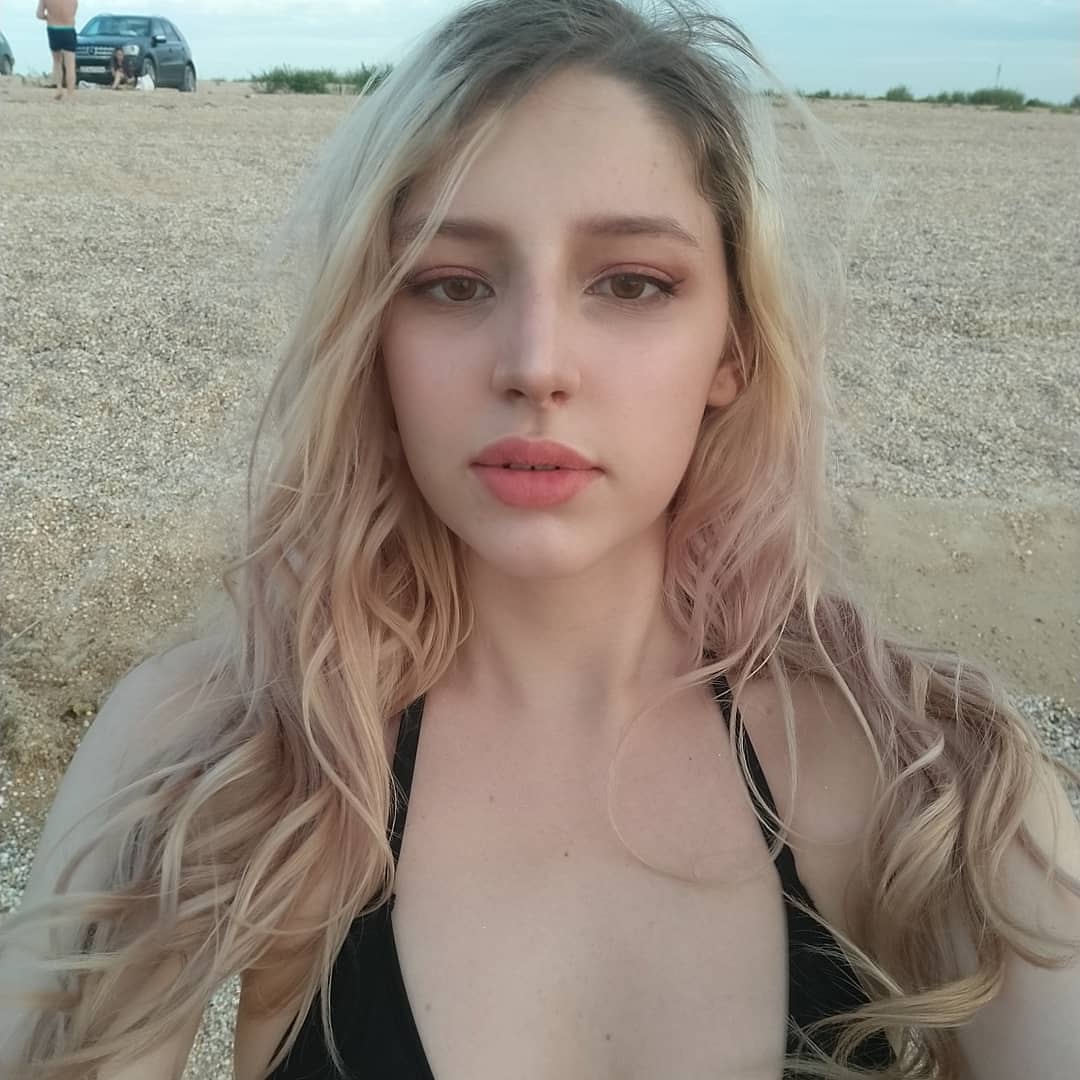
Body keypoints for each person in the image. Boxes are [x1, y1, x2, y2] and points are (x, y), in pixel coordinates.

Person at [2, 1, 1079, 1077]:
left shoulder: (934, 779)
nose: (534, 363)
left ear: (733, 350)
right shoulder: (217, 744)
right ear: (373, 337)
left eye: (631, 283)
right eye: (452, 283)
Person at [35, 0, 78, 102]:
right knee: (70, 65)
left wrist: (49, 17)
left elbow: (39, 14)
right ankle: (70, 94)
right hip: (68, 29)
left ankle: (59, 89)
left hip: (53, 28)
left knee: (57, 62)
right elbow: (74, 11)